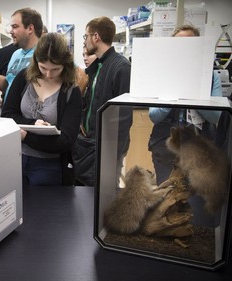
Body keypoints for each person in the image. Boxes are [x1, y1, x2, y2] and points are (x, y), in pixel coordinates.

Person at [1, 32, 82, 186]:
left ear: (66, 64)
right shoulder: (23, 78)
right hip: (15, 159)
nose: (48, 74)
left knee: (45, 208)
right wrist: (33, 123)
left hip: (50, 166)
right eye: (43, 67)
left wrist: (26, 136)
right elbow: (7, 114)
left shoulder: (71, 91)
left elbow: (66, 140)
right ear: (35, 61)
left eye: (55, 69)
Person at [148, 24, 223, 186]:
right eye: (178, 44)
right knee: (167, 197)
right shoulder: (162, 74)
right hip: (165, 146)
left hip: (201, 148)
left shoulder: (210, 76)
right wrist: (174, 93)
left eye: (189, 43)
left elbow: (217, 116)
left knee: (198, 200)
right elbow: (154, 116)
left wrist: (194, 94)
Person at [72, 16, 132, 187]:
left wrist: (113, 152)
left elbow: (124, 116)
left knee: (104, 193)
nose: (85, 40)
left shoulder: (121, 67)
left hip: (108, 147)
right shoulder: (98, 66)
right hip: (90, 143)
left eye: (86, 36)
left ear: (95, 37)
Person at [0, 8, 43, 103]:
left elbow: (75, 76)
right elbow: (7, 84)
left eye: (15, 27)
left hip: (28, 116)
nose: (10, 31)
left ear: (30, 29)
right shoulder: (16, 54)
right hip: (9, 113)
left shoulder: (45, 53)